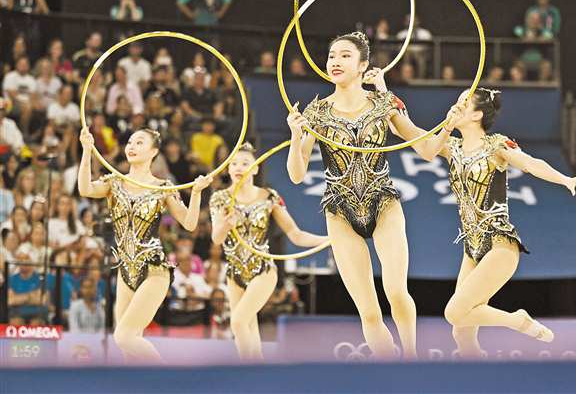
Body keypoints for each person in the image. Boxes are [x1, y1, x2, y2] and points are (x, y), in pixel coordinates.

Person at [287, 32, 462, 359]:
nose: (335, 62)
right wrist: (297, 138)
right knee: (368, 311)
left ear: (363, 65)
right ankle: (388, 370)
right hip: (339, 213)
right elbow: (296, 175)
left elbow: (425, 149)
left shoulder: (384, 104)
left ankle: (410, 360)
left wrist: (448, 127)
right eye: (331, 56)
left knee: (396, 292)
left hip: (383, 205)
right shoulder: (316, 112)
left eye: (344, 56)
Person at [425, 88, 576, 358]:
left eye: (463, 103)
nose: (456, 105)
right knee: (462, 333)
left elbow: (530, 163)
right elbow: (414, 138)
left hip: (499, 244)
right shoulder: (450, 146)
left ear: (477, 114)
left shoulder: (496, 146)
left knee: (454, 312)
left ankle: (518, 320)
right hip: (472, 247)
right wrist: (382, 95)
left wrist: (566, 179)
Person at [78, 126, 212, 361]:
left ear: (154, 152)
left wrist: (197, 192)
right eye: (130, 142)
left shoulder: (163, 188)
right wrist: (87, 150)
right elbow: (85, 188)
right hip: (125, 271)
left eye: (139, 142)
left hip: (154, 270)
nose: (131, 146)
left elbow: (190, 224)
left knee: (124, 336)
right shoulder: (114, 182)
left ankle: (169, 383)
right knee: (128, 349)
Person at [210, 143, 325, 360]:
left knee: (238, 321)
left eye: (245, 163)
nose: (238, 168)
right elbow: (217, 239)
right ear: (227, 168)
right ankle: (258, 373)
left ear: (254, 168)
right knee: (247, 330)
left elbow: (295, 234)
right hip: (234, 273)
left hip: (262, 270)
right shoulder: (220, 198)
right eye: (233, 163)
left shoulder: (268, 197)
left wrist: (329, 240)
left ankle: (249, 375)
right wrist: (226, 224)